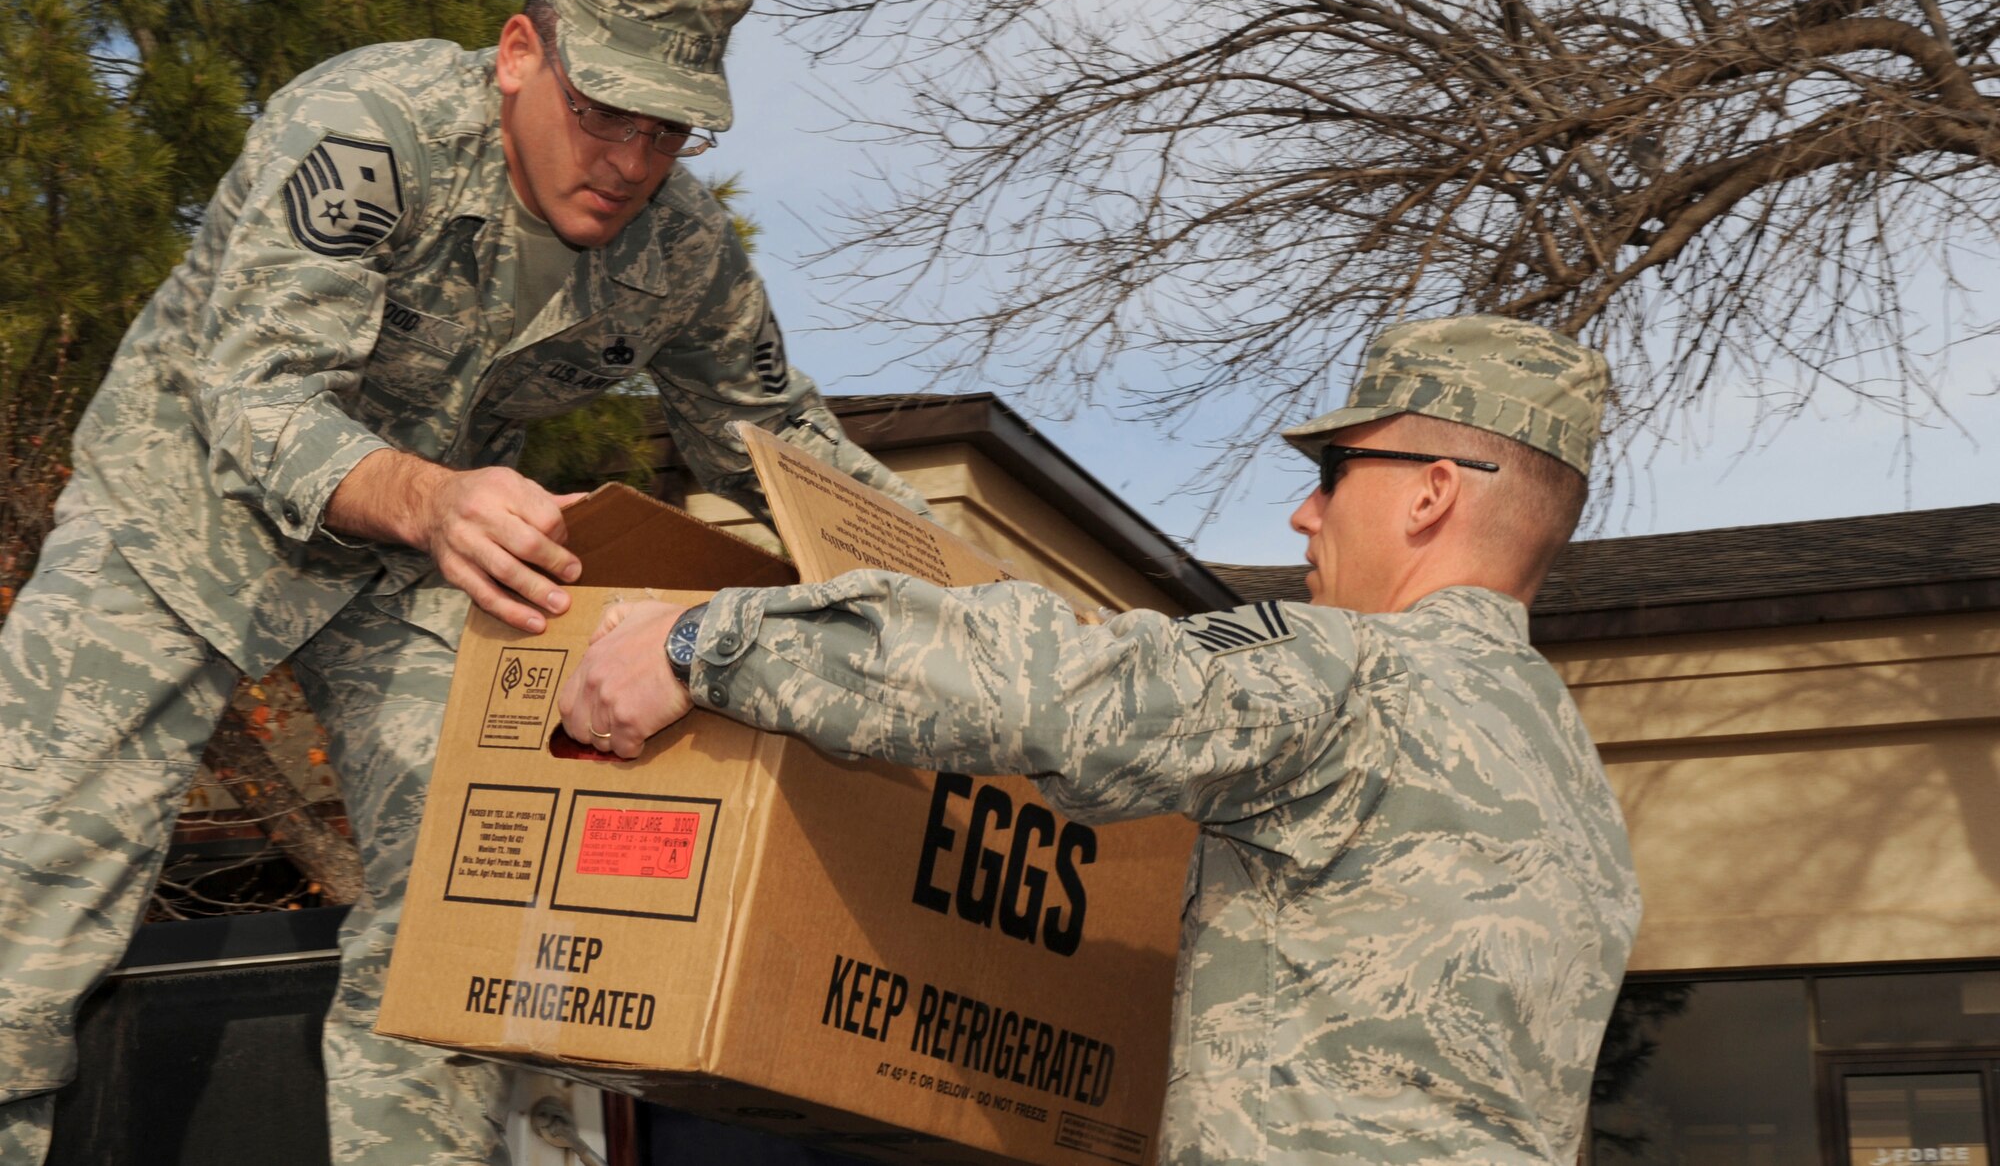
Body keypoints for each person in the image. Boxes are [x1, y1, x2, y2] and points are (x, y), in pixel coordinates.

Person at [0, 0, 927, 1165]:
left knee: (474, 896)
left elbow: (785, 451)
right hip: (187, 511)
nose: (629, 162)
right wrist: (433, 496)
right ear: (517, 53)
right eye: (604, 113)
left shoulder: (682, 254)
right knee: (25, 893)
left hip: (409, 569)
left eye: (670, 133)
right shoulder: (366, 128)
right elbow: (257, 395)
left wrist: (963, 601)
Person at [560, 314, 1643, 1164]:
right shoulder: (1573, 788)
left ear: (1429, 494)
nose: (1303, 518)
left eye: (1332, 473)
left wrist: (702, 641)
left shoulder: (1353, 672)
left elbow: (1053, 688)